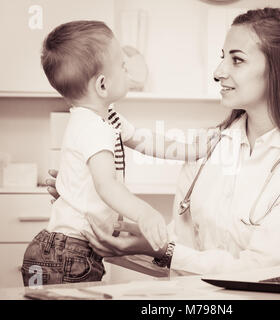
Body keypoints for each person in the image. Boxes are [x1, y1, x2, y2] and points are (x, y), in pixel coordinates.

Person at [47, 8, 280, 276]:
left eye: (237, 60)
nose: (219, 72)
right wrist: (86, 203)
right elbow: (178, 252)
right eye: (223, 58)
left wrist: (163, 250)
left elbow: (263, 270)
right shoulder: (207, 147)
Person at [21, 20, 210, 286]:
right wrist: (145, 213)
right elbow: (106, 185)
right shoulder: (92, 127)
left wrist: (191, 151)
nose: (127, 69)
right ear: (102, 85)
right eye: (122, 65)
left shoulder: (107, 118)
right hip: (70, 252)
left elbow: (144, 140)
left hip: (64, 250)